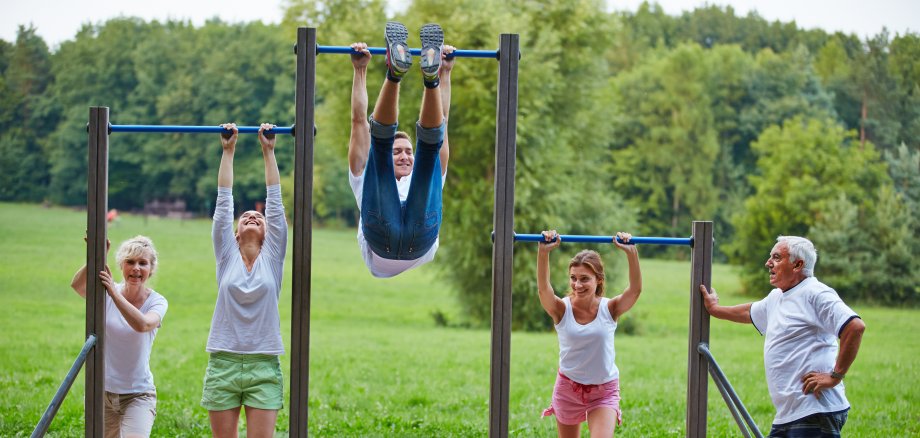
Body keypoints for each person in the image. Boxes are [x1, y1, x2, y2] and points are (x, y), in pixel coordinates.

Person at [699, 235, 866, 437]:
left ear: (797, 265)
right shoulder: (778, 296)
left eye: (776, 257)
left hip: (815, 410)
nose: (768, 263)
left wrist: (835, 376)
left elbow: (854, 327)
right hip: (790, 414)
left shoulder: (816, 293)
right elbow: (749, 312)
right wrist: (715, 309)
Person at [347, 21, 455, 278]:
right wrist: (359, 71)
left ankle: (407, 76)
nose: (405, 155)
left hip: (406, 237)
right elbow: (358, 121)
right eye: (398, 152)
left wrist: (444, 74)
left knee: (426, 150)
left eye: (408, 151)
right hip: (399, 237)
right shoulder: (364, 177)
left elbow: (443, 120)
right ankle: (417, 77)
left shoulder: (425, 179)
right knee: (412, 148)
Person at [201, 123, 287, 438]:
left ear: (269, 233)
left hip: (264, 364)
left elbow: (275, 207)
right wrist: (228, 151)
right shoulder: (226, 257)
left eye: (258, 217)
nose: (252, 215)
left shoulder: (274, 258)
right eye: (245, 216)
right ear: (235, 233)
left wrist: (269, 151)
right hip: (223, 360)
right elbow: (223, 206)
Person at [537, 230, 642, 437]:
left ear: (598, 280)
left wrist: (632, 253)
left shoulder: (610, 308)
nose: (577, 284)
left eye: (585, 278)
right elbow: (543, 290)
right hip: (568, 388)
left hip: (604, 391)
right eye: (573, 278)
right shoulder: (561, 309)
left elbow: (635, 290)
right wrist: (543, 253)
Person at [70, 235, 168, 438]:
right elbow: (78, 287)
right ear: (121, 265)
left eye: (143, 263)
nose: (136, 269)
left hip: (138, 395)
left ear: (151, 269)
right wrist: (95, 256)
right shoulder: (107, 289)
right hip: (102, 393)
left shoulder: (157, 301)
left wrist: (114, 294)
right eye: (130, 262)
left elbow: (143, 324)